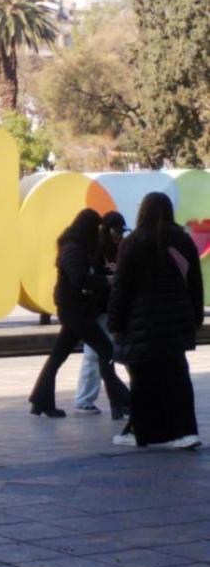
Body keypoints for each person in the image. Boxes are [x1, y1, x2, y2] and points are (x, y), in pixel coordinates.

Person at [108, 191, 203, 450]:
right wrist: (194, 318)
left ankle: (146, 433)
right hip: (176, 322)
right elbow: (195, 284)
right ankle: (186, 432)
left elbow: (121, 289)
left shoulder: (133, 243)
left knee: (143, 380)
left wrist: (115, 323)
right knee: (177, 377)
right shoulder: (183, 240)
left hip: (142, 324)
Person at [29, 207, 130, 421]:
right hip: (74, 310)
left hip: (75, 309)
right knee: (105, 349)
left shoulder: (79, 246)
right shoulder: (72, 249)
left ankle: (41, 400)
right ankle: (121, 400)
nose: (98, 233)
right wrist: (107, 281)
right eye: (96, 228)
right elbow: (79, 278)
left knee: (58, 356)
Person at [74, 210, 127, 414]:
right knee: (93, 356)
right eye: (116, 231)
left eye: (121, 231)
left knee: (108, 355)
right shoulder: (95, 251)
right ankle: (87, 399)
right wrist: (106, 281)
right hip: (97, 310)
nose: (119, 235)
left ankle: (117, 400)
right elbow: (87, 279)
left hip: (114, 309)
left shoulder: (123, 248)